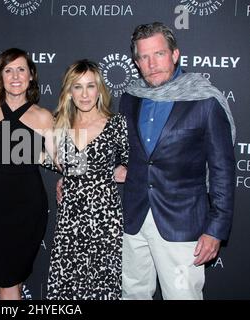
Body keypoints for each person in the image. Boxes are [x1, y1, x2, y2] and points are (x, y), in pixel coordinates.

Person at [119, 22, 235, 300]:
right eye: (144, 57)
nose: (152, 63)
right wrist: (75, 176)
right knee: (131, 294)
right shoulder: (130, 98)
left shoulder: (204, 101)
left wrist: (215, 230)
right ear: (136, 62)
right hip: (132, 219)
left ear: (175, 54)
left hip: (182, 224)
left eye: (159, 54)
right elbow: (118, 153)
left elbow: (222, 170)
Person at [0, 48, 55, 300]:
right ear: (0, 76)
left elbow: (59, 161)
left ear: (31, 75)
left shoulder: (43, 117)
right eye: (8, 70)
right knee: (5, 277)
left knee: (12, 276)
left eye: (21, 69)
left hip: (27, 207)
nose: (15, 75)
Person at [46, 60, 129, 300]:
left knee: (102, 288)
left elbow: (136, 165)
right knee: (67, 289)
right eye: (77, 86)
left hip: (105, 220)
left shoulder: (116, 124)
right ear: (69, 92)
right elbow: (13, 138)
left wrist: (113, 174)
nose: (84, 94)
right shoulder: (60, 124)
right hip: (70, 219)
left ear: (99, 89)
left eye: (90, 86)